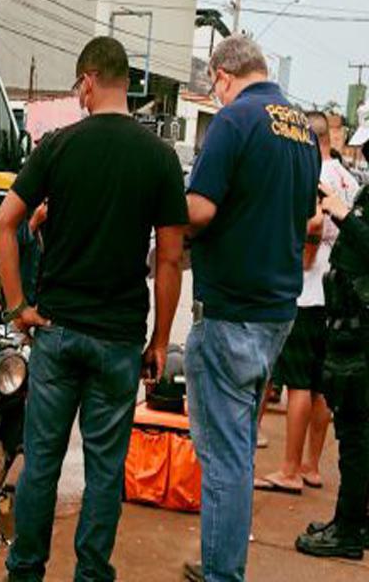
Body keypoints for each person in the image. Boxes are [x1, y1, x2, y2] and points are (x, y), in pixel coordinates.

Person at [0, 36, 188, 582]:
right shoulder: (160, 159)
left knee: (41, 467)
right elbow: (169, 261)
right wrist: (158, 341)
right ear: (127, 82)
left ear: (87, 81)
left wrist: (17, 309)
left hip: (55, 332)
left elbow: (4, 222)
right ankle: (92, 575)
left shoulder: (57, 146)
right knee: (104, 474)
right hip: (119, 341)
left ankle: (25, 572)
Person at [182, 36, 320, 582]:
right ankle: (222, 560)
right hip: (276, 311)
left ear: (221, 74)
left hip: (232, 312)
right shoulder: (301, 129)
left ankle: (223, 572)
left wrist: (156, 201)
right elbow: (306, 216)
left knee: (225, 456)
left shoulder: (236, 121)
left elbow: (199, 208)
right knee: (235, 446)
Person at [256, 111, 357, 495]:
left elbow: (313, 227)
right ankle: (312, 465)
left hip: (309, 288)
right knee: (318, 387)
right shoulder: (346, 179)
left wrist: (303, 256)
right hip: (335, 291)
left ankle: (289, 469)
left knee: (297, 383)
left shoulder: (315, 177)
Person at [295, 182, 369, 559]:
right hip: (351, 331)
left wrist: (344, 216)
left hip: (362, 338)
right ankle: (352, 519)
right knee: (357, 435)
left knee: (357, 438)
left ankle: (349, 528)